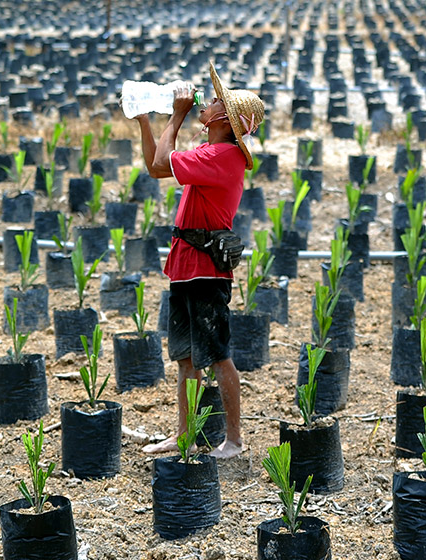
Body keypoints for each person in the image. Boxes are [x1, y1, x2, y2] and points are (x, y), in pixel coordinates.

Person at [132, 62, 265, 459]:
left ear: (226, 118)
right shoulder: (210, 151)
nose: (204, 105)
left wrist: (176, 115)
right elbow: (156, 167)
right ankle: (183, 434)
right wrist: (144, 121)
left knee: (218, 354)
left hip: (206, 269)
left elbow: (159, 164)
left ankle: (234, 441)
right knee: (188, 357)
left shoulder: (225, 157)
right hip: (187, 265)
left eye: (212, 102)